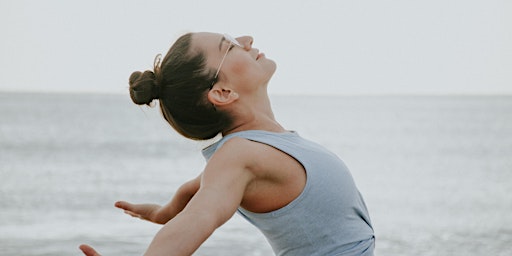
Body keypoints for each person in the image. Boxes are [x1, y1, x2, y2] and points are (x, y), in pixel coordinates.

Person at [80, 32, 375, 256]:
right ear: (222, 92)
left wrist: (162, 213)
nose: (246, 40)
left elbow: (192, 191)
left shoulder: (255, 149)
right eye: (230, 46)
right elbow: (201, 215)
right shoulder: (239, 155)